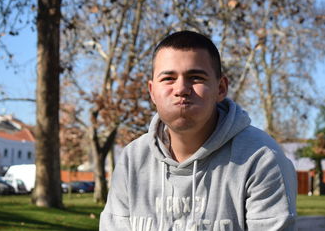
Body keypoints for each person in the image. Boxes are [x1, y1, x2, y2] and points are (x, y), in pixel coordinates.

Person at [100, 30, 297, 231]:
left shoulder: (261, 158)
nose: (181, 89)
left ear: (220, 88)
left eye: (195, 77)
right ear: (152, 91)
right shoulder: (132, 159)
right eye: (168, 78)